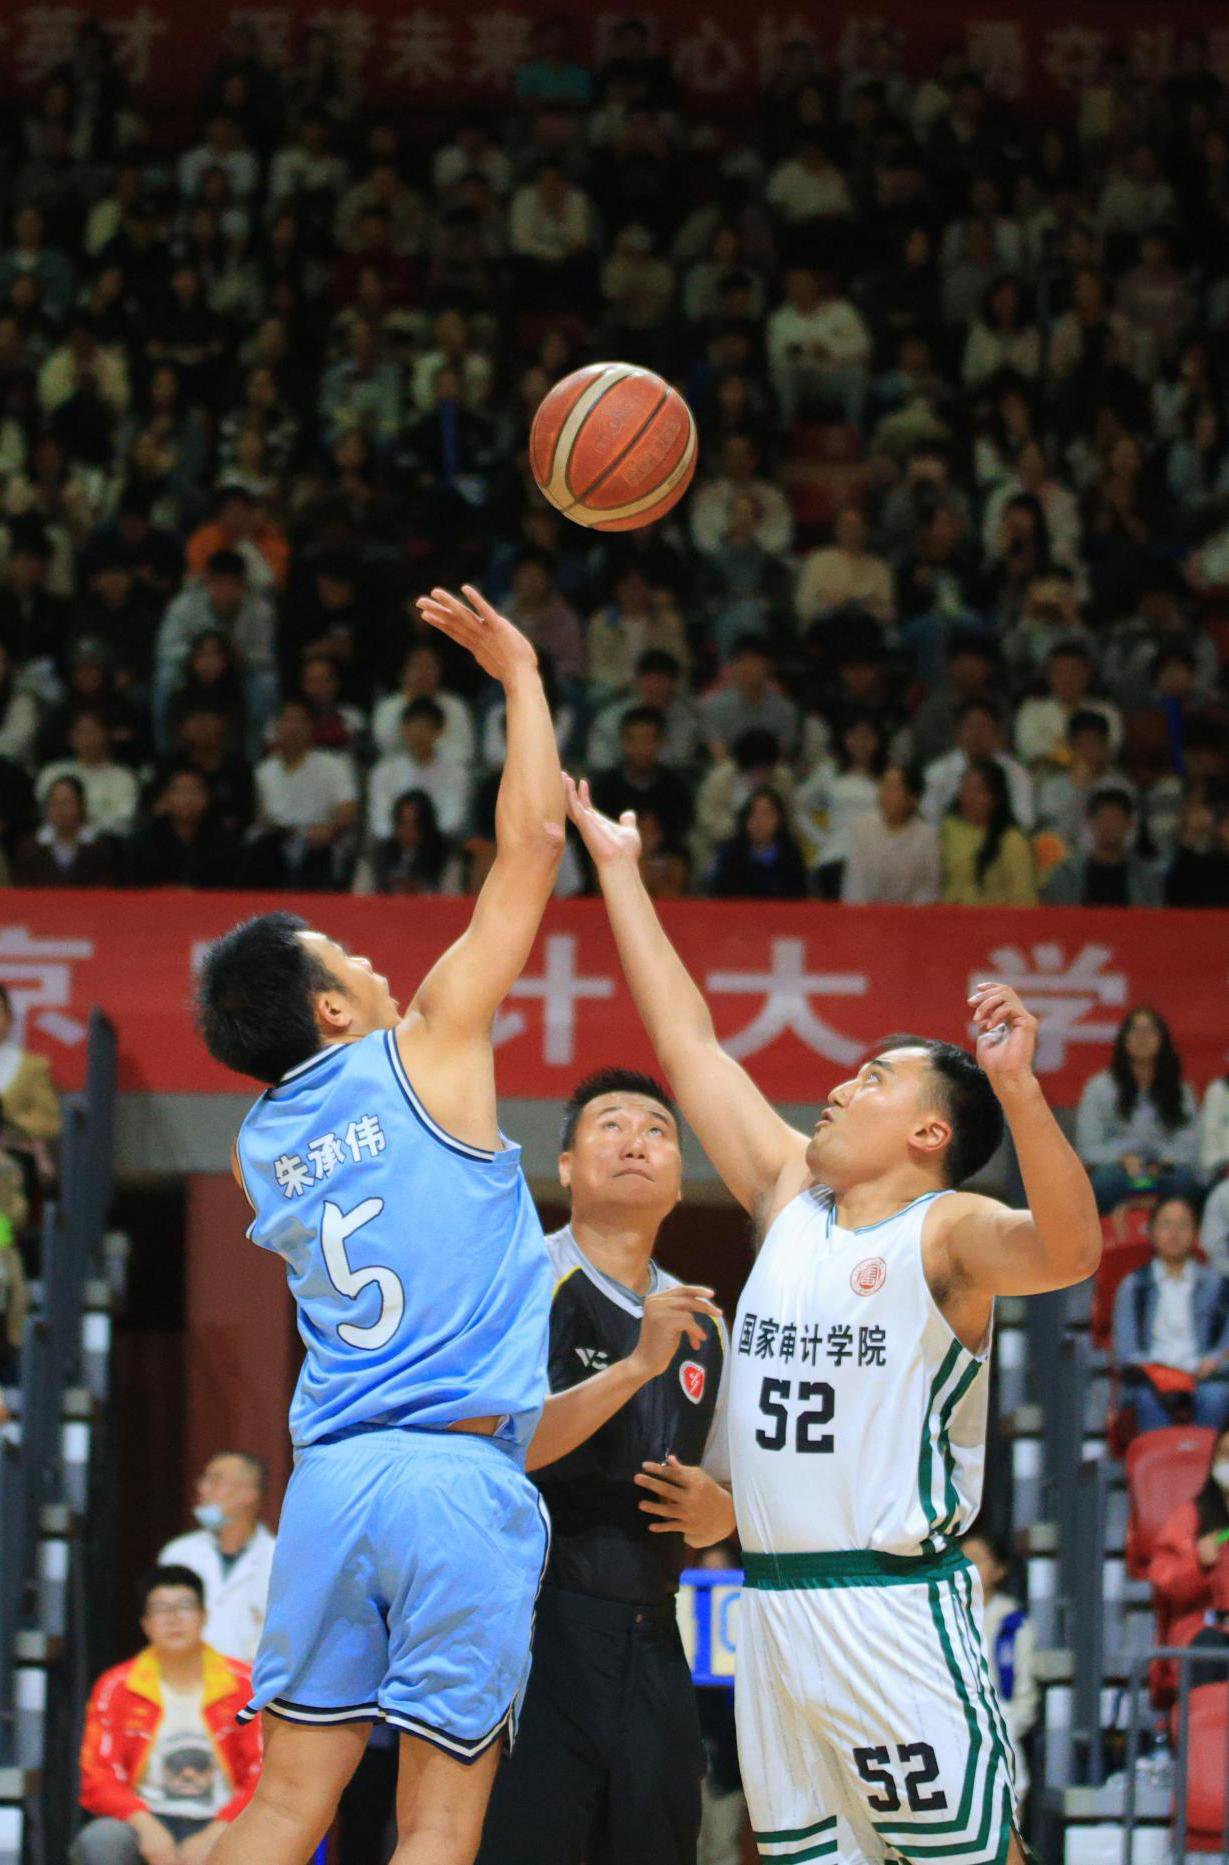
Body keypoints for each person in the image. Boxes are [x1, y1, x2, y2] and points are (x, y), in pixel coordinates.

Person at [563, 773, 1101, 1865]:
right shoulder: (784, 1193)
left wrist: (1022, 1093)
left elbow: (1072, 1251)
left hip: (890, 1607)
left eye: (870, 1079)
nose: (838, 1089)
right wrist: (618, 870)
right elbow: (689, 1042)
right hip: (770, 1609)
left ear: (927, 1134)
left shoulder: (949, 1230)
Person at [196, 585, 564, 1865]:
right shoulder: (430, 1047)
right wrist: (519, 672)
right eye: (344, 951)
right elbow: (527, 849)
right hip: (455, 1474)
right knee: (435, 1821)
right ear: (334, 1011)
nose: (369, 955)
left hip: (334, 1480)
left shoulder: (258, 1147)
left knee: (285, 1806)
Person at [478, 1070, 728, 1865]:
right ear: (564, 1166)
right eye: (610, 1125)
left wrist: (716, 1512)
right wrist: (630, 1368)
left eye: (656, 1129)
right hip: (531, 1626)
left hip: (653, 1631)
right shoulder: (521, 1279)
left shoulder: (705, 1326)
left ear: (679, 1184)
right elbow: (499, 1446)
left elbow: (728, 1493)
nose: (634, 1141)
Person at [73, 1565, 262, 1865]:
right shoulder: (117, 1686)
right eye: (161, 1609)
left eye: (184, 1606)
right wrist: (145, 1825)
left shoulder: (245, 1684)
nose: (173, 1618)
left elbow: (264, 1773)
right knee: (102, 1839)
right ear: (145, 1624)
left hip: (224, 1820)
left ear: (204, 1616)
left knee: (268, 1837)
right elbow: (97, 1776)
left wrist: (218, 1830)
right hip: (146, 1819)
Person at [1111, 1196, 1229, 1433]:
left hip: (1204, 1377)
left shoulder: (1217, 1285)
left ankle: (1206, 1468)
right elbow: (1126, 1349)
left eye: (1183, 1226)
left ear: (1196, 1233)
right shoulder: (1134, 1286)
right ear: (1151, 1232)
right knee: (1147, 1399)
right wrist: (1156, 1373)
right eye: (1166, 1225)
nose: (1174, 1233)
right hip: (1153, 1379)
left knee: (1216, 1396)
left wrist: (1215, 1360)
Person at [1075, 1006, 1202, 1213]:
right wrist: (1122, 1158)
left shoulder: (1180, 1089)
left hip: (1164, 1170)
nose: (1142, 1037)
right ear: (1124, 1039)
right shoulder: (1099, 1086)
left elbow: (1189, 1145)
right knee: (1101, 1184)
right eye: (1135, 1030)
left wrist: (1161, 1163)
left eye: (1150, 1031)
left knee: (1185, 1184)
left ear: (1162, 1039)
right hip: (1119, 1169)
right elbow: (1088, 1147)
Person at [158, 1453, 277, 1667]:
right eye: (203, 1481)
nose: (203, 1489)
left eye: (215, 1481)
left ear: (249, 1494)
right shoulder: (179, 1554)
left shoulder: (277, 1559)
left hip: (251, 1688)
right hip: (187, 1681)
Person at [1149, 1425, 1229, 1688]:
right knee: (1209, 1646)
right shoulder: (1190, 1516)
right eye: (1224, 1455)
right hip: (1202, 1628)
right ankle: (1196, 1726)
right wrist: (1197, 1562)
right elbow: (1165, 1581)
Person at [962, 1533, 1038, 1806]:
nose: (966, 1568)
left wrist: (1004, 1730)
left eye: (976, 1561)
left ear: (999, 1570)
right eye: (960, 1560)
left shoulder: (1012, 1623)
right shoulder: (940, 1615)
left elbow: (1024, 1696)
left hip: (999, 1732)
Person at [1041, 788, 1163, 907]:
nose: (1108, 826)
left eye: (1116, 819)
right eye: (1102, 818)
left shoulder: (1146, 877)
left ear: (1130, 824)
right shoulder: (1066, 875)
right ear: (1090, 822)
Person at [941, 760, 1038, 906]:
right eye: (965, 789)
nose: (969, 797)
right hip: (949, 918)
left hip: (995, 922)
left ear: (996, 798)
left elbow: (1023, 899)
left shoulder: (1012, 841)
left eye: (977, 790)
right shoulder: (948, 829)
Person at [841, 765, 941, 906]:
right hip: (866, 918)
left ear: (912, 799)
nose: (885, 793)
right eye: (884, 786)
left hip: (910, 919)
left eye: (894, 788)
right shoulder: (862, 829)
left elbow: (928, 889)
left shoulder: (927, 837)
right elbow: (855, 886)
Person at [709, 787, 809, 900]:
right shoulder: (730, 855)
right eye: (753, 814)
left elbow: (798, 900)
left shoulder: (792, 856)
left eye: (766, 814)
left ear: (780, 819)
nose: (759, 821)